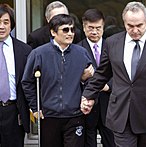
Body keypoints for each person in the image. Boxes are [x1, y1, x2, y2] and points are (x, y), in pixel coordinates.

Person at [81, 2, 146, 147]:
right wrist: (88, 95)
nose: (135, 30)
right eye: (130, 26)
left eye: (139, 25)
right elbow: (102, 74)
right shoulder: (112, 43)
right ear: (124, 23)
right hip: (121, 113)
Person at [22, 14, 94, 147]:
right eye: (65, 30)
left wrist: (87, 98)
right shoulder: (39, 54)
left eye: (72, 29)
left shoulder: (82, 53)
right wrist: (35, 107)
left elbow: (91, 80)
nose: (70, 33)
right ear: (53, 32)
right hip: (49, 116)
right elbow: (27, 82)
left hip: (75, 115)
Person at [77, 9, 115, 147]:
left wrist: (108, 85)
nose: (94, 32)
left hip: (109, 105)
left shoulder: (113, 46)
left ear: (103, 27)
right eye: (90, 28)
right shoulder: (77, 49)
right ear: (84, 27)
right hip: (87, 108)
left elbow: (121, 74)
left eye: (98, 28)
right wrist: (82, 78)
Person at [0, 4, 32, 147]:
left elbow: (29, 82)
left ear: (11, 24)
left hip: (14, 112)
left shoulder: (24, 50)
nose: (1, 26)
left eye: (5, 22)